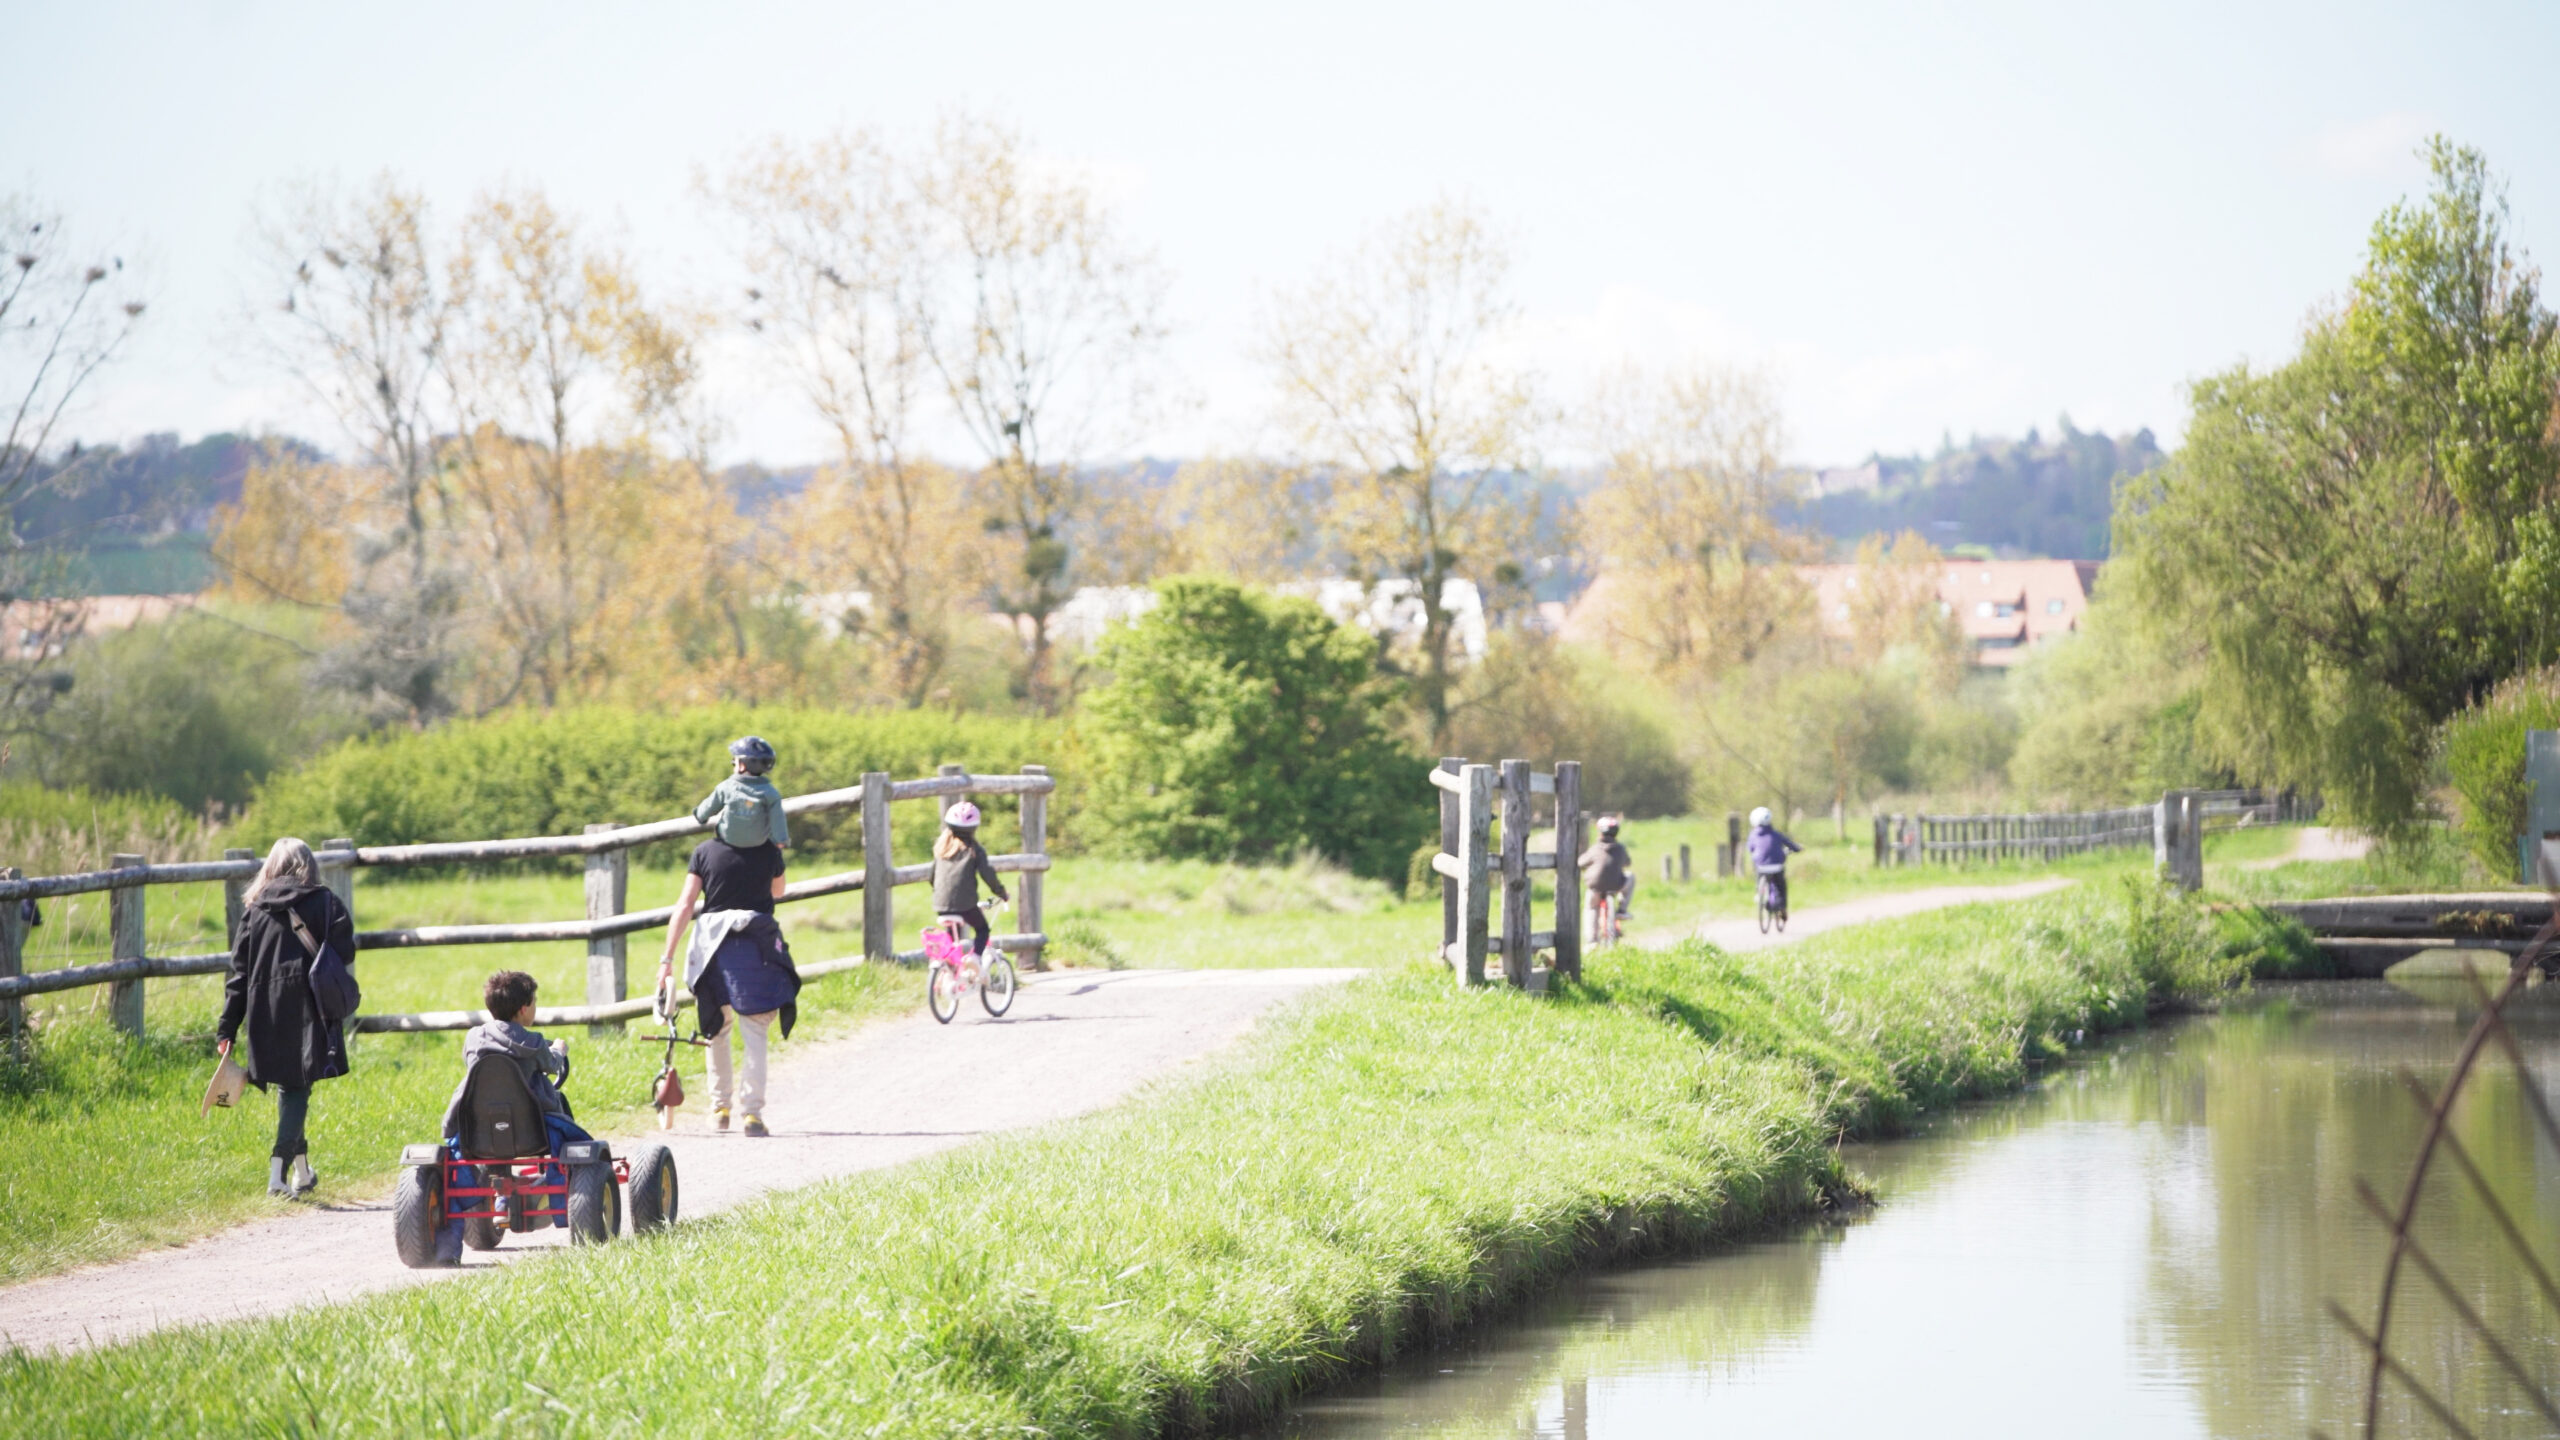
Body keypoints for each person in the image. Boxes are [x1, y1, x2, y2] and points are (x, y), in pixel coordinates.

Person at [216, 837, 356, 1198]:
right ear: (309, 864)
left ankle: (303, 1173)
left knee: (292, 1087)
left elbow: (239, 975)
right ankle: (277, 1176)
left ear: (271, 867)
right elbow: (345, 951)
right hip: (311, 1007)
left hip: (266, 1008)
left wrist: (227, 1028)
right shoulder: (326, 902)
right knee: (296, 1088)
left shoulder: (255, 909)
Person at [429, 971, 594, 1264]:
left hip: (480, 1131)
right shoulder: (534, 1042)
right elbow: (552, 1064)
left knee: (496, 1121)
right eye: (534, 1002)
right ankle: (561, 1182)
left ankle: (459, 1234)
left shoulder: (474, 1037)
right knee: (562, 1116)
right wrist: (558, 1050)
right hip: (532, 1132)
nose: (535, 1007)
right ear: (523, 1009)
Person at [655, 810, 800, 1138]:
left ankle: (720, 1109)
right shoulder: (769, 851)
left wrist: (667, 959)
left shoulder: (704, 852)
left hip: (713, 948)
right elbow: (778, 891)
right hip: (757, 946)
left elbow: (685, 904)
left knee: (717, 1028)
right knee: (756, 1030)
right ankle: (753, 1115)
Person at [931, 802, 1010, 961]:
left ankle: (950, 968)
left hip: (940, 905)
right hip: (965, 905)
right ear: (974, 828)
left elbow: (932, 877)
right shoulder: (974, 850)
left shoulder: (942, 850)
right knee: (982, 930)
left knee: (953, 936)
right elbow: (987, 875)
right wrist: (1001, 892)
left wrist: (942, 894)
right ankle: (974, 958)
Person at [693, 735, 789, 851]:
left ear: (743, 765)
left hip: (728, 840)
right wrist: (781, 841)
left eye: (735, 761)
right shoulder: (771, 792)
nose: (733, 763)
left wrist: (700, 815)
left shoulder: (726, 787)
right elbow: (778, 820)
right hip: (757, 843)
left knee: (702, 850)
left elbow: (708, 808)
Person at [1748, 806, 1803, 917]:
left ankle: (1759, 892)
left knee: (1759, 874)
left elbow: (1750, 848)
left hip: (1761, 866)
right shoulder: (1776, 834)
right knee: (1780, 886)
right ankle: (1781, 907)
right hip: (1777, 866)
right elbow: (1790, 844)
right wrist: (1798, 848)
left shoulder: (1753, 836)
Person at [1578, 817, 1633, 925]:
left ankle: (1591, 935)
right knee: (1630, 876)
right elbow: (1627, 863)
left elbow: (1580, 862)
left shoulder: (1595, 849)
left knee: (1591, 908)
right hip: (1616, 885)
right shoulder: (1620, 849)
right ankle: (1622, 909)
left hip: (1595, 887)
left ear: (1600, 832)